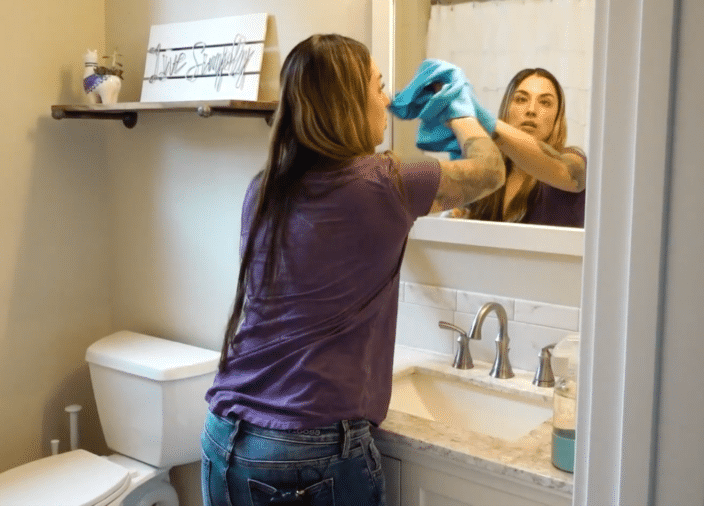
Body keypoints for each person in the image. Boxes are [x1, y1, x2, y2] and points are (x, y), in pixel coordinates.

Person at [200, 34, 504, 506]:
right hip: (306, 452)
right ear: (347, 102)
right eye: (378, 85)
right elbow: (489, 172)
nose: (387, 98)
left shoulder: (264, 189)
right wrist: (462, 110)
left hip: (226, 439)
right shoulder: (381, 185)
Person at [460, 68, 587, 227]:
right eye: (521, 99)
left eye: (545, 102)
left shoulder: (574, 162)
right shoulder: (487, 175)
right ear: (507, 108)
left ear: (557, 117)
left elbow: (570, 176)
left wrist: (488, 124)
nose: (531, 110)